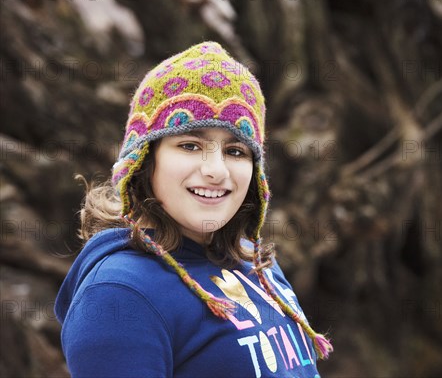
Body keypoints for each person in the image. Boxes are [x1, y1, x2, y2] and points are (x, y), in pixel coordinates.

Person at [55, 41, 333, 377]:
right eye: (190, 145)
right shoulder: (118, 295)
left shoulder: (256, 263)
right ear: (144, 159)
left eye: (236, 151)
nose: (216, 170)